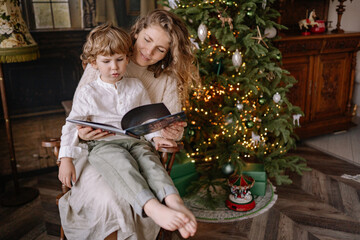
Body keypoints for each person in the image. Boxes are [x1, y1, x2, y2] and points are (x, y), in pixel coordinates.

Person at [58, 9, 199, 240]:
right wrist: (72, 149)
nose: (149, 51)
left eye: (160, 49)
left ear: (168, 54)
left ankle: (175, 203)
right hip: (101, 148)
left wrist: (165, 133)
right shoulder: (102, 64)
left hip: (136, 143)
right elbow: (74, 121)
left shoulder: (146, 84)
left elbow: (153, 122)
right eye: (147, 40)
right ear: (137, 32)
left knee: (151, 164)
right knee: (117, 178)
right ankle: (152, 207)